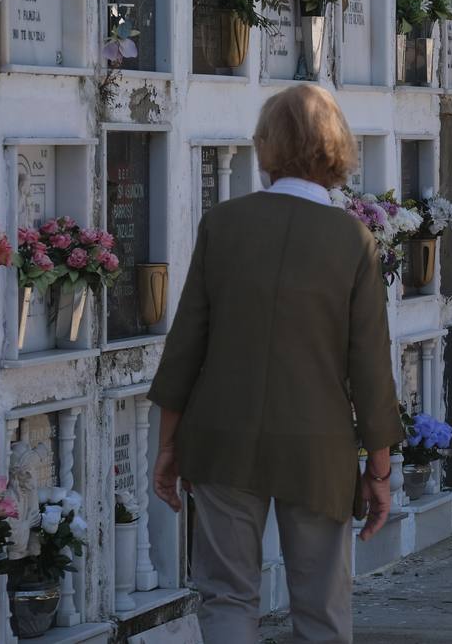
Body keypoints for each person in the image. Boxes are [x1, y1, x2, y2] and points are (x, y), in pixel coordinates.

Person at [148, 84, 403, 644]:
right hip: (317, 447)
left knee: (227, 596)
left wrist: (169, 445)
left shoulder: (224, 224)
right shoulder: (353, 240)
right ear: (337, 148)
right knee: (320, 610)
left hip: (222, 440)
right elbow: (370, 368)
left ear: (267, 145)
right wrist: (379, 472)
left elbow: (186, 346)